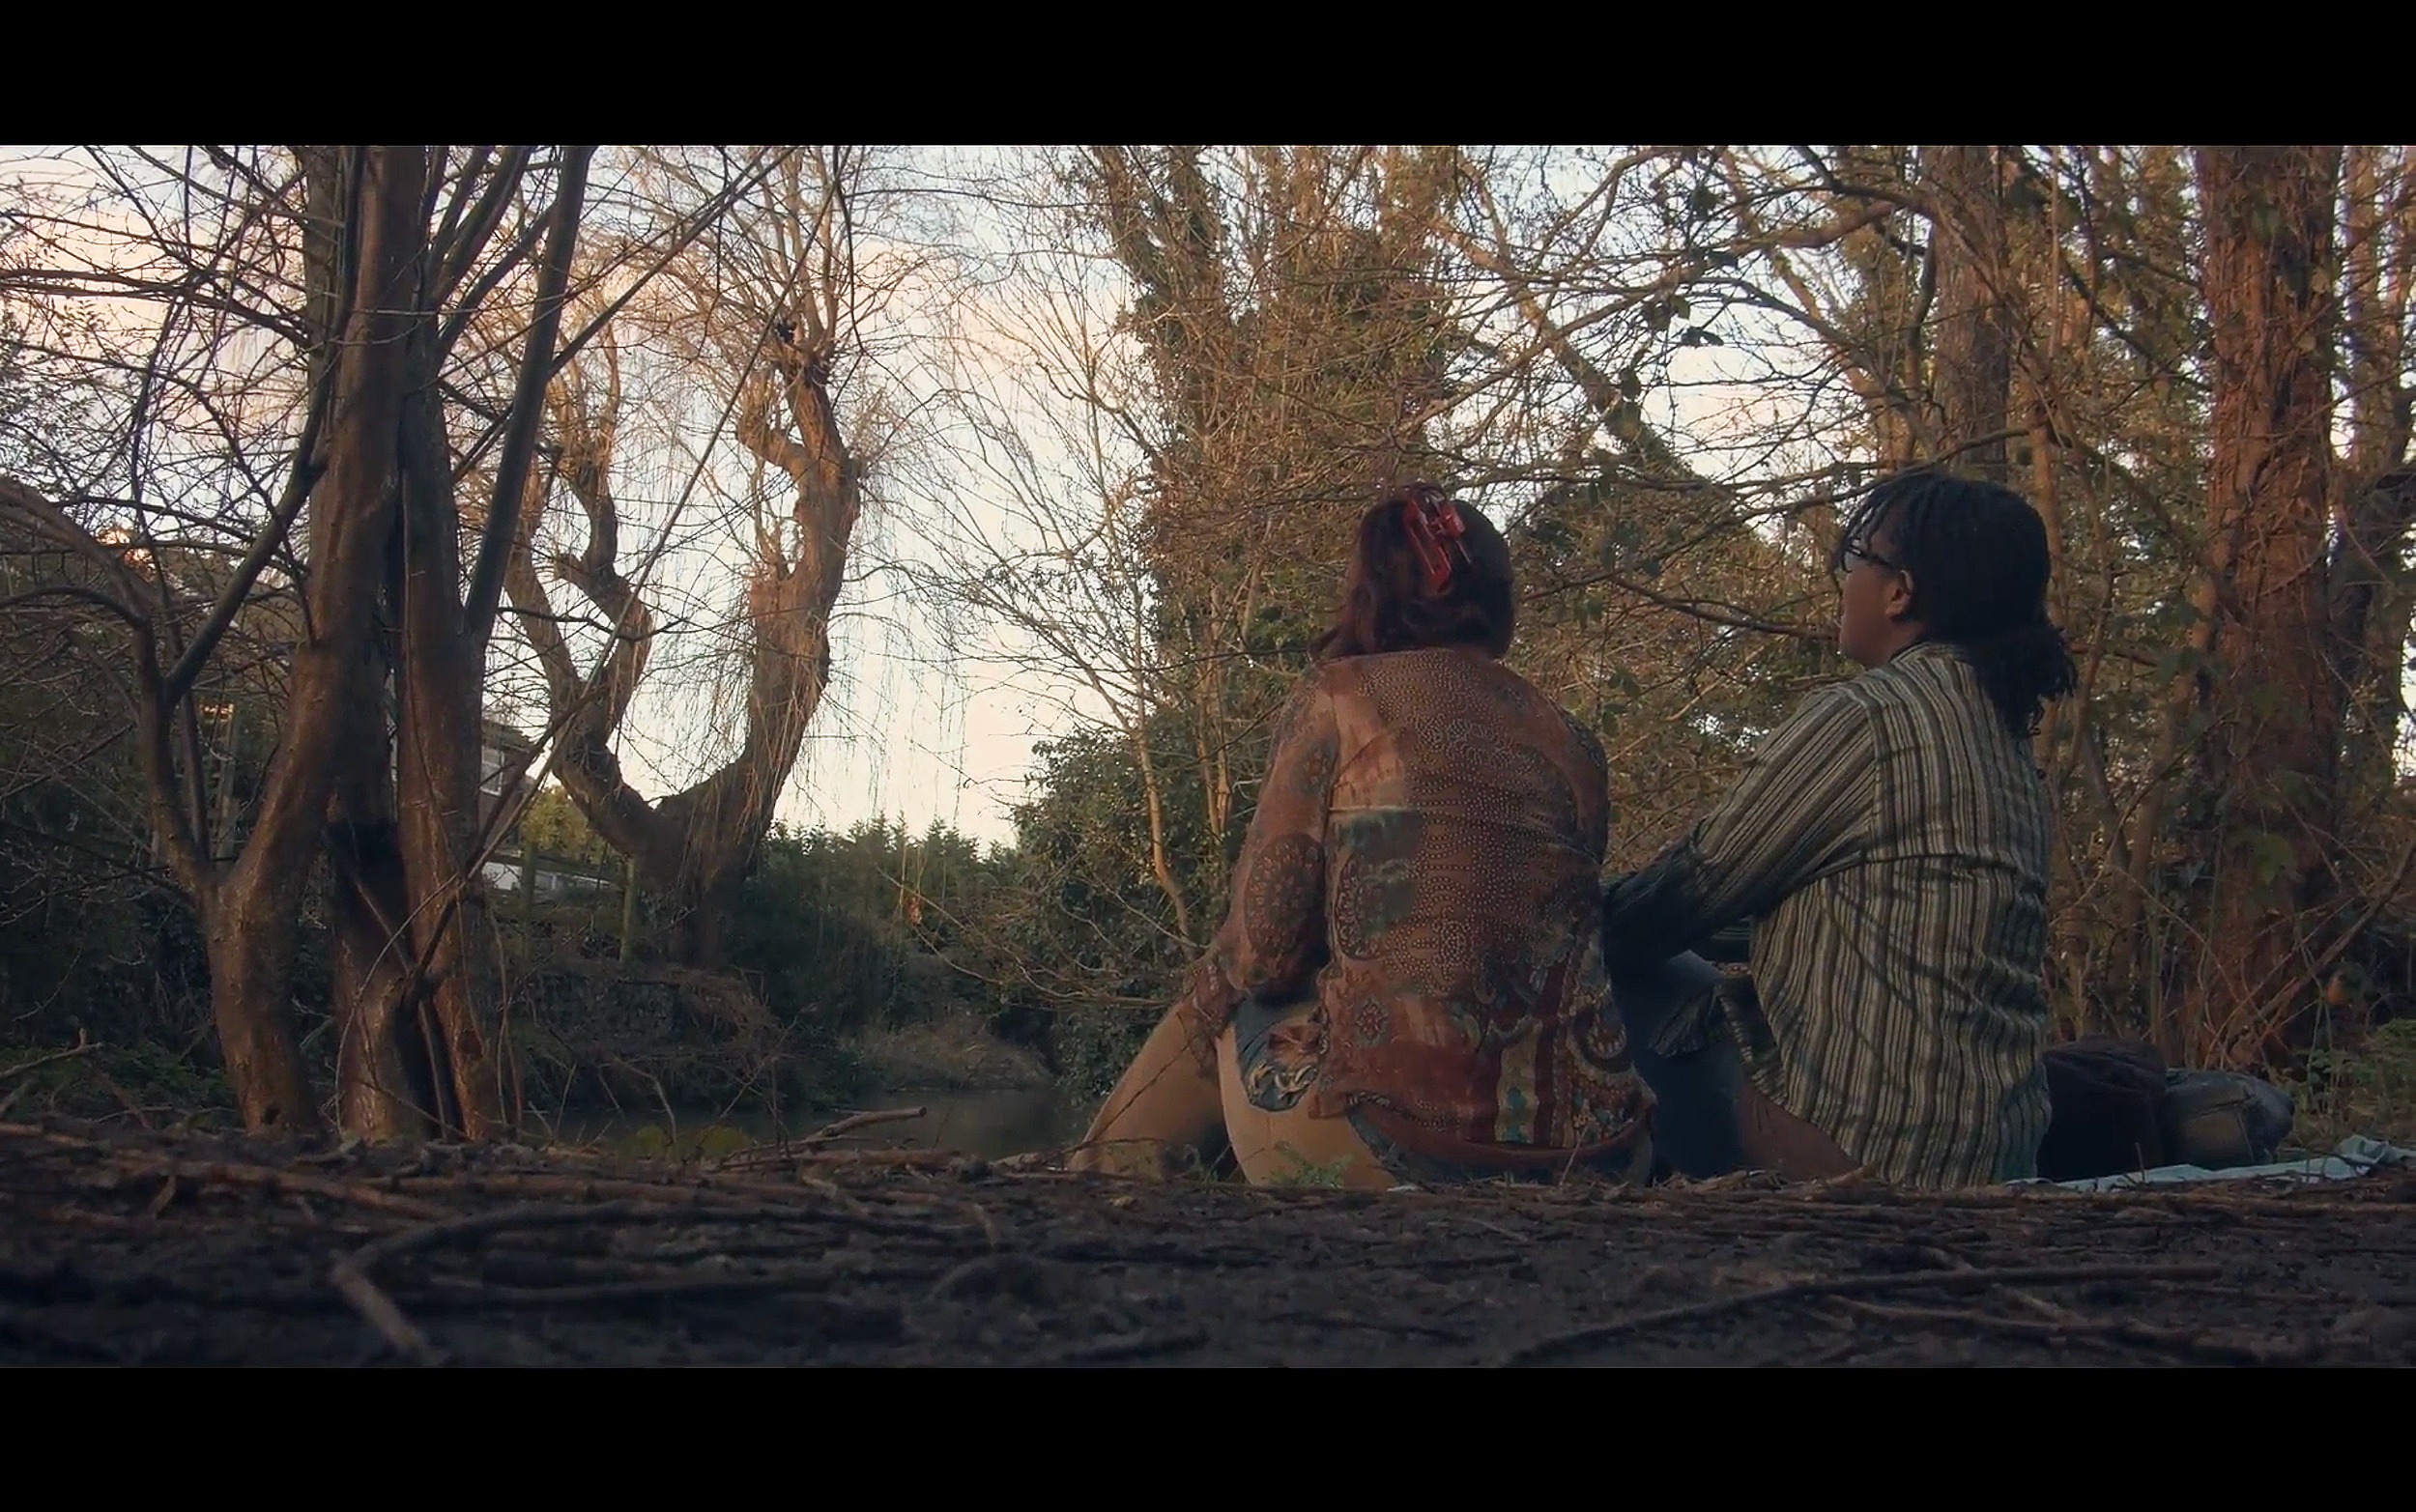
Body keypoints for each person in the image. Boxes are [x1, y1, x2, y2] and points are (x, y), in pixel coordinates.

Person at [1067, 481, 1655, 1189]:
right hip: (1597, 1157)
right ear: (1501, 603)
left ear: (1369, 595)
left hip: (1400, 1150)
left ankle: (1098, 1183)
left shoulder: (1343, 699)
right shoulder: (1574, 741)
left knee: (1227, 987)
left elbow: (1265, 949)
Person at [1600, 467, 2077, 1189]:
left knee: (1609, 976)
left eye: (1853, 561)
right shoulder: (2003, 740)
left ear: (1899, 590)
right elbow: (1840, 914)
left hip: (1864, 1150)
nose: (1842, 581)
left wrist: (1559, 918)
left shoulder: (1872, 716)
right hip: (1987, 1157)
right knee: (1686, 971)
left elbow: (1689, 892)